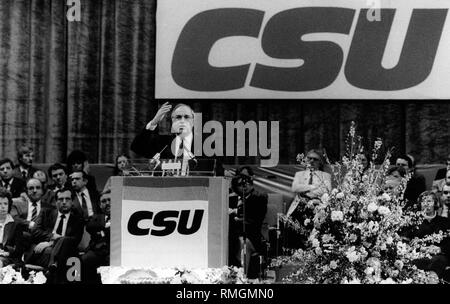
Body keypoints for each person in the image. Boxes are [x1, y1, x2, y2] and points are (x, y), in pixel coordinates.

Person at [131, 102, 224, 176]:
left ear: (193, 121)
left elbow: (217, 173)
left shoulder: (206, 145)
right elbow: (137, 147)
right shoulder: (163, 143)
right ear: (172, 121)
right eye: (178, 117)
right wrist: (154, 122)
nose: (182, 121)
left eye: (186, 117)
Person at [28, 188, 85, 283]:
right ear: (55, 201)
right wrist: (52, 237)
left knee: (66, 243)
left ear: (72, 201)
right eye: (60, 199)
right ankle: (54, 264)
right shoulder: (46, 213)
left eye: (67, 199)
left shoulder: (78, 219)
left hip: (62, 251)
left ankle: (54, 264)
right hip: (43, 252)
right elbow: (35, 231)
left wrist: (53, 242)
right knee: (72, 260)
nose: (64, 202)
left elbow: (75, 240)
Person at [228, 166, 267, 278]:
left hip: (252, 236)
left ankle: (242, 277)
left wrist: (235, 215)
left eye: (247, 183)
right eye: (240, 184)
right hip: (231, 234)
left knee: (242, 243)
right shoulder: (231, 198)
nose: (244, 186)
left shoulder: (259, 197)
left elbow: (254, 220)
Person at [405, 192, 450, 279]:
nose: (426, 204)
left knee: (439, 260)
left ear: (435, 203)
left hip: (438, 257)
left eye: (429, 201)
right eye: (423, 201)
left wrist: (440, 249)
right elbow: (406, 241)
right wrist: (421, 248)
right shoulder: (412, 222)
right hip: (418, 256)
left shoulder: (445, 222)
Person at [80, 191, 111, 284]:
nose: (107, 203)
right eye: (104, 201)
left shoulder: (123, 216)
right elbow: (90, 226)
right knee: (83, 260)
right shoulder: (96, 217)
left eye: (110, 200)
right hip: (97, 251)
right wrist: (107, 225)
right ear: (100, 205)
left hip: (116, 252)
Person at [0, 188, 24, 267]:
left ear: (9, 205)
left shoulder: (16, 224)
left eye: (5, 204)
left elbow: (18, 250)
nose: (2, 207)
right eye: (0, 204)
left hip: (9, 258)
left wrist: (7, 252)